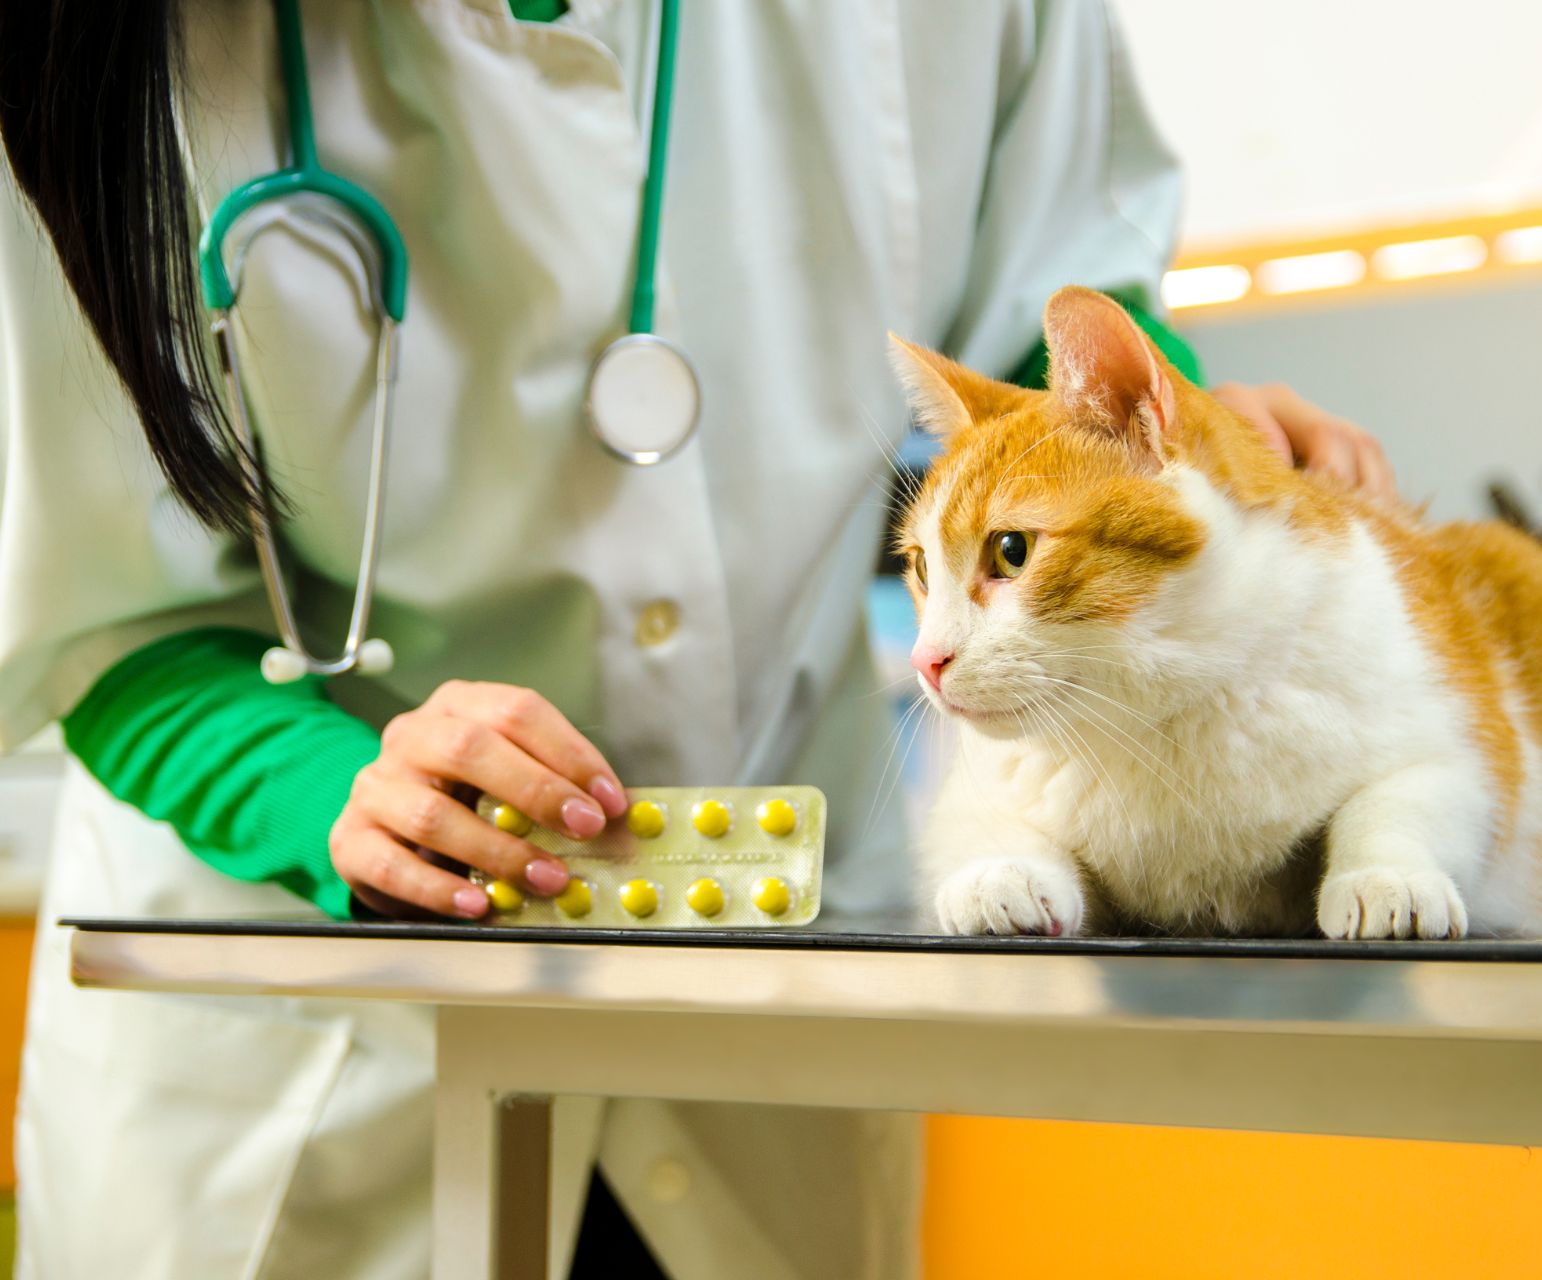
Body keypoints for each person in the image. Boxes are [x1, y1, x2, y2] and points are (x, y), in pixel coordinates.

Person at [0, 1, 1386, 1275]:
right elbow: (99, 604)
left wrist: (1178, 455)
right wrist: (329, 798)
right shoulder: (93, 51)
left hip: (770, 1035)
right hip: (313, 1092)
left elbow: (1061, 324)